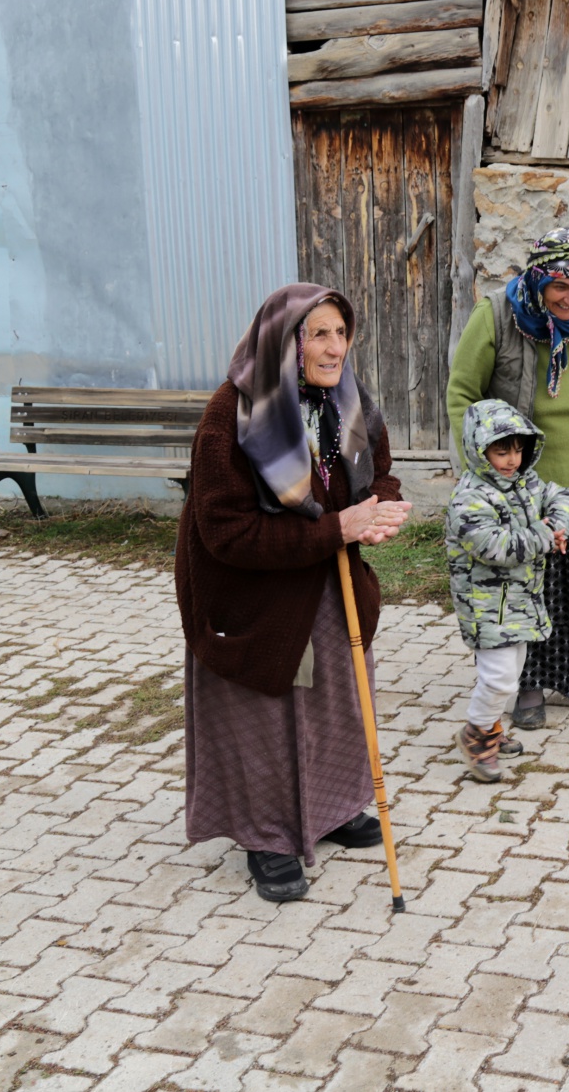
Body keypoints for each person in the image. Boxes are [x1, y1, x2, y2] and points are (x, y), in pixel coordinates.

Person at [177, 284, 413, 903]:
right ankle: (267, 836)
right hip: (254, 598)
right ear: (285, 342)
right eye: (319, 334)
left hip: (329, 585)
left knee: (336, 703)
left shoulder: (348, 400)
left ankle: (333, 809)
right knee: (265, 715)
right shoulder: (231, 413)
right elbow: (226, 532)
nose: (335, 347)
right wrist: (339, 526)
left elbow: (377, 474)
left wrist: (380, 510)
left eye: (341, 332)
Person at [446, 227, 569, 731]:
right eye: (560, 288)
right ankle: (528, 685)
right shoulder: (496, 317)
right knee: (528, 591)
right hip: (521, 490)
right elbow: (462, 395)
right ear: (537, 279)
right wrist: (485, 478)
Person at [446, 399, 569, 781]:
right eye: (501, 451)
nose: (511, 459)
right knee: (500, 677)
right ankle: (475, 735)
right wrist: (545, 534)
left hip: (520, 601)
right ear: (478, 449)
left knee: (514, 668)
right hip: (487, 605)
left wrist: (557, 524)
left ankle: (491, 727)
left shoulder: (525, 483)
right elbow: (498, 548)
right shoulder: (470, 498)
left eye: (518, 449)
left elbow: (564, 498)